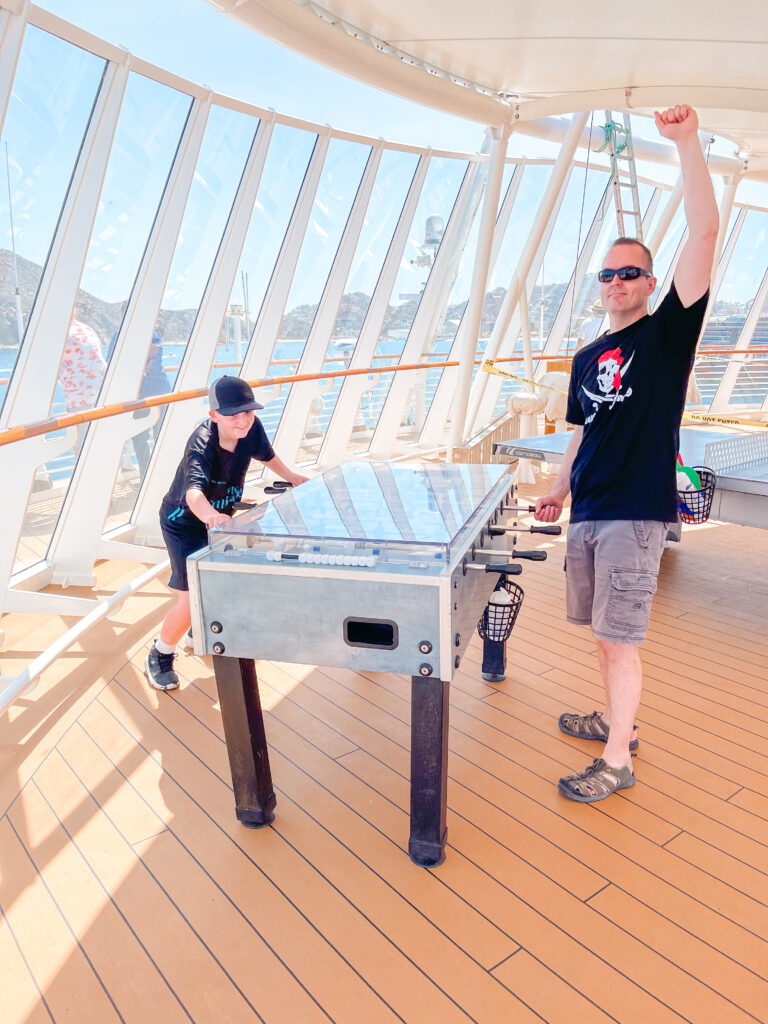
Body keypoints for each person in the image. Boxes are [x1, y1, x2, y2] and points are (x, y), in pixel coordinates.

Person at [534, 105, 718, 802]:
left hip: (635, 516)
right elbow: (582, 428)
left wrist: (686, 144)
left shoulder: (666, 338)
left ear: (649, 283)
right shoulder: (587, 356)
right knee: (604, 634)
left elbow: (704, 230)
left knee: (621, 637)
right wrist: (559, 486)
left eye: (630, 273)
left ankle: (618, 760)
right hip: (590, 512)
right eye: (608, 274)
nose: (617, 282)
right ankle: (613, 717)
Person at [145, 375, 309, 691]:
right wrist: (211, 517)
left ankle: (197, 633)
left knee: (224, 580)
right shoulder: (202, 444)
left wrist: (291, 476)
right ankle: (160, 653)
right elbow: (193, 493)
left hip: (219, 521)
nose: (243, 420)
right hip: (184, 523)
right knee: (191, 597)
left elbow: (267, 455)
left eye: (248, 412)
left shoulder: (250, 428)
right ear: (214, 416)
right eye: (233, 414)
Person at [132, 332, 170, 478]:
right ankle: (163, 479)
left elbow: (111, 363)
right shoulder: (153, 334)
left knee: (141, 441)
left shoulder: (121, 335)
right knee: (160, 439)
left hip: (140, 396)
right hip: (162, 392)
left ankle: (146, 480)